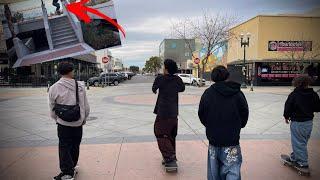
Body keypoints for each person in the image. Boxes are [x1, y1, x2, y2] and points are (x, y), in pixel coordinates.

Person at [198, 66, 249, 180]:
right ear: (227, 76)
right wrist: (239, 125)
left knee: (213, 172)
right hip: (232, 140)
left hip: (214, 139)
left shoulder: (208, 93)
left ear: (213, 77)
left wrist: (210, 125)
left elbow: (202, 114)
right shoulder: (237, 93)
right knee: (232, 170)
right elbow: (244, 112)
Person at [49, 62, 90, 180]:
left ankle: (67, 172)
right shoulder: (80, 86)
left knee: (64, 146)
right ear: (71, 71)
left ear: (59, 72)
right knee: (75, 145)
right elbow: (85, 106)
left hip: (62, 123)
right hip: (78, 122)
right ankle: (71, 167)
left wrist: (57, 119)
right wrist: (84, 118)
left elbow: (52, 108)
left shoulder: (53, 88)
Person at [152, 59, 185, 170]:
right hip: (174, 113)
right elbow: (182, 88)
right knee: (170, 135)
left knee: (160, 133)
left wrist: (157, 89)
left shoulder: (160, 78)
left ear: (166, 68)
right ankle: (170, 156)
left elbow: (154, 88)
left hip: (163, 113)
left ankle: (170, 159)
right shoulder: (178, 79)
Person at [282, 75, 320, 171]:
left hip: (298, 122)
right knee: (301, 142)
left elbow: (288, 107)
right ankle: (295, 158)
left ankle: (303, 163)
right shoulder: (313, 94)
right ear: (307, 83)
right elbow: (317, 108)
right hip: (309, 122)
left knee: (298, 142)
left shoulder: (294, 95)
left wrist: (286, 116)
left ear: (297, 83)